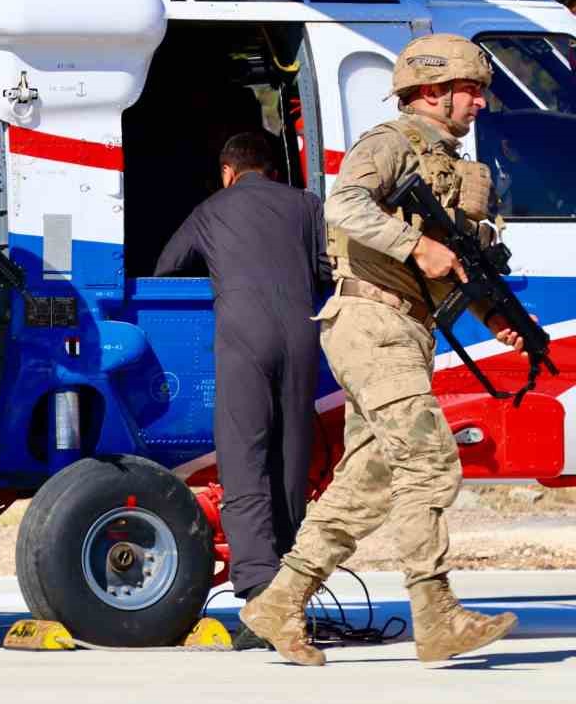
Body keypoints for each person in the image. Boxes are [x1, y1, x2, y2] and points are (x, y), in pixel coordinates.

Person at [243, 34, 527, 666]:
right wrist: (415, 246)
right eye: (471, 91)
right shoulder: (391, 143)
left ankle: (280, 600)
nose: (479, 104)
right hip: (371, 320)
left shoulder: (454, 165)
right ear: (432, 91)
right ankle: (436, 613)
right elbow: (342, 205)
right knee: (430, 461)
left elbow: (453, 267)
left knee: (368, 481)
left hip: (406, 326)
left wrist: (494, 316)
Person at [154, 131, 330, 649]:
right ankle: (290, 581)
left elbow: (168, 265)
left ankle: (259, 591)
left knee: (243, 456)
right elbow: (325, 268)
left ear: (228, 171)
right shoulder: (306, 204)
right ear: (272, 170)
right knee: (292, 454)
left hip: (244, 339)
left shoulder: (213, 208)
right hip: (303, 335)